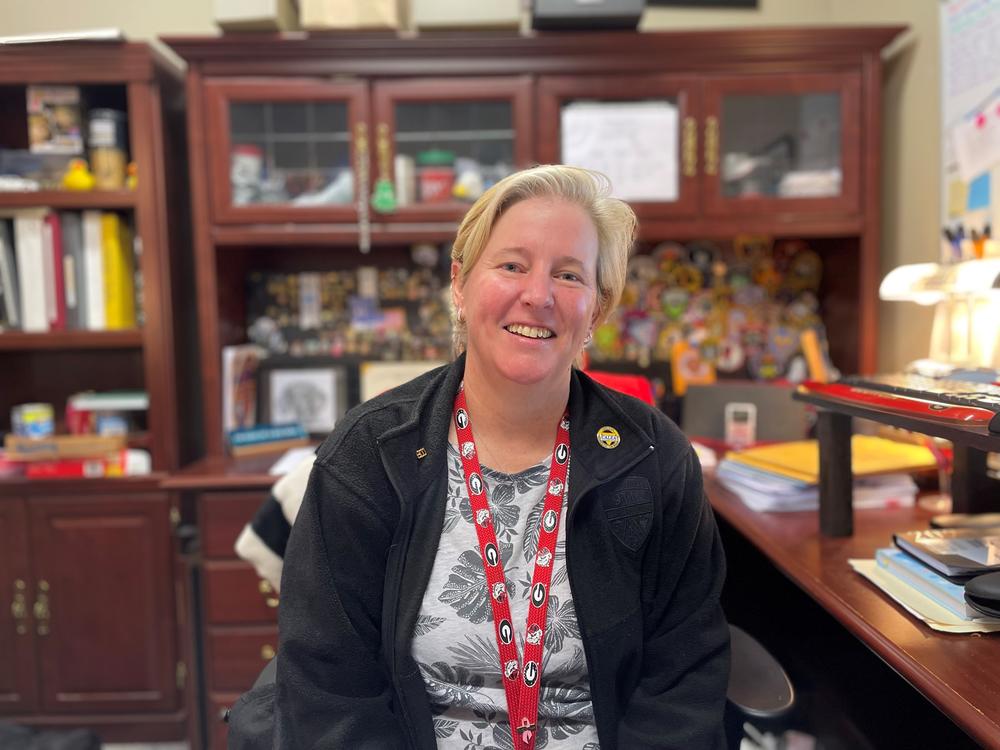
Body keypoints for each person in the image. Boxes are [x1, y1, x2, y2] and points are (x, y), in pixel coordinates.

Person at [274, 164, 730, 749]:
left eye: (568, 275)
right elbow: (328, 693)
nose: (537, 295)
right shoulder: (369, 455)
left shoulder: (653, 457)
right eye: (512, 265)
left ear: (597, 308)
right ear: (460, 285)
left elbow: (684, 682)